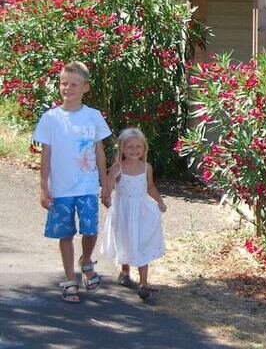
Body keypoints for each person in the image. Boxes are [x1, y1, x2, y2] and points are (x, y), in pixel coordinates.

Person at [33, 61, 112, 303]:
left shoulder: (93, 116)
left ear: (86, 87)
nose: (68, 88)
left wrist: (105, 182)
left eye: (74, 84)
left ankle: (86, 260)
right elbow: (45, 155)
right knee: (65, 234)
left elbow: (99, 152)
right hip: (61, 189)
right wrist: (44, 187)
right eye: (64, 83)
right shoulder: (51, 118)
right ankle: (70, 279)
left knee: (90, 229)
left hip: (87, 186)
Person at [101, 127, 166, 301]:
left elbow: (150, 187)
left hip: (141, 211)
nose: (134, 150)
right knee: (124, 240)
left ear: (144, 148)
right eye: (130, 147)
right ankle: (125, 272)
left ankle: (143, 282)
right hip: (123, 210)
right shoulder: (118, 167)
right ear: (122, 148)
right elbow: (108, 184)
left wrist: (159, 201)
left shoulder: (147, 167)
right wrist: (106, 196)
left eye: (138, 147)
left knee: (141, 241)